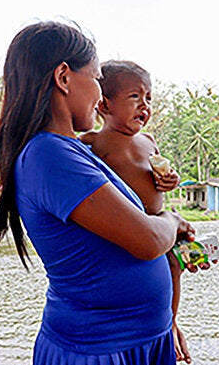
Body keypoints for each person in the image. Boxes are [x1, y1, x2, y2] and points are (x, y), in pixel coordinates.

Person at [0, 21, 196, 365]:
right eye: (97, 79)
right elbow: (146, 239)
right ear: (63, 77)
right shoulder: (49, 155)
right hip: (100, 348)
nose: (100, 94)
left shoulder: (72, 150)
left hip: (139, 339)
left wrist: (166, 319)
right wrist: (171, 221)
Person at [79, 60, 191, 363]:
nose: (145, 105)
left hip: (160, 229)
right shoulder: (92, 143)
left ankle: (170, 322)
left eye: (149, 98)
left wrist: (170, 181)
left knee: (174, 268)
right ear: (104, 104)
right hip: (128, 231)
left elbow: (158, 176)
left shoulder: (148, 141)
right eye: (134, 97)